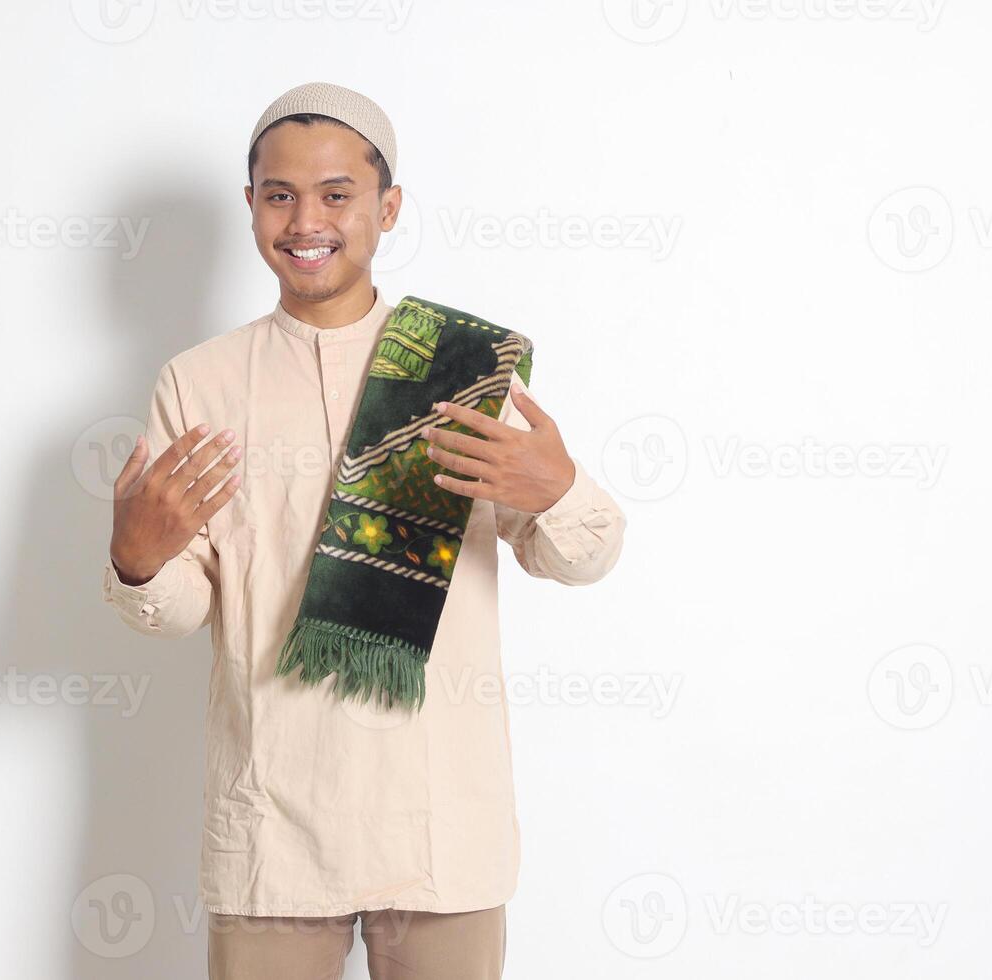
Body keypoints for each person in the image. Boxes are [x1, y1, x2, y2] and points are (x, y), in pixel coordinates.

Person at [101, 81, 627, 980]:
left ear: (387, 208)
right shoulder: (200, 383)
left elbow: (580, 555)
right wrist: (138, 559)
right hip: (271, 824)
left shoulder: (463, 370)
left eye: (337, 193)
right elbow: (180, 605)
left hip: (439, 819)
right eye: (280, 194)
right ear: (252, 207)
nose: (307, 219)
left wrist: (561, 488)